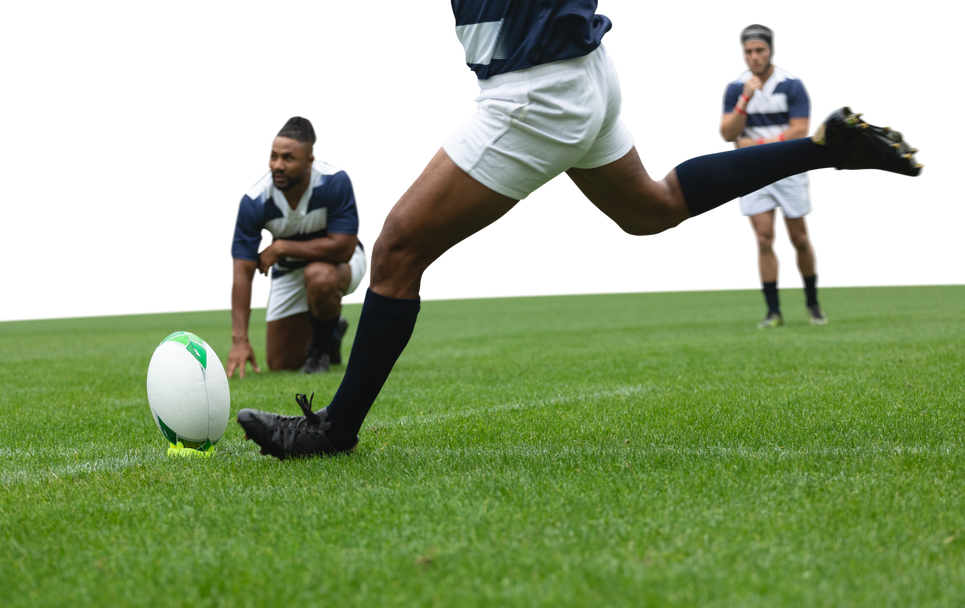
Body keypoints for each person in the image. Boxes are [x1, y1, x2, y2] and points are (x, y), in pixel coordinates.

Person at [236, 1, 927, 459]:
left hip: (537, 88)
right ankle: (823, 149)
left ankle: (335, 429)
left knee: (395, 252)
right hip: (584, 73)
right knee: (648, 210)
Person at [225, 114, 369, 376]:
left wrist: (282, 248)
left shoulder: (335, 180)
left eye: (288, 158)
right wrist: (239, 339)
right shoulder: (253, 199)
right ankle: (331, 332)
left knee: (319, 277)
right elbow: (241, 269)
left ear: (309, 160)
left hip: (342, 263)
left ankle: (319, 353)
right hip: (290, 271)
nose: (276, 165)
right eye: (272, 156)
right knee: (282, 363)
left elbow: (343, 248)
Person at [715, 22, 826, 327]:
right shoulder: (734, 87)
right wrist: (745, 101)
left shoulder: (794, 83)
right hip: (750, 171)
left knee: (800, 238)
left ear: (772, 51)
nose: (753, 56)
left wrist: (755, 144)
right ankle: (773, 311)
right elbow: (726, 133)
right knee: (763, 238)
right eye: (747, 51)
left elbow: (801, 131)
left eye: (759, 50)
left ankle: (813, 304)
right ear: (740, 54)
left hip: (790, 170)